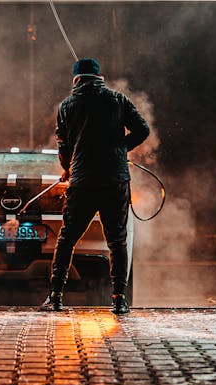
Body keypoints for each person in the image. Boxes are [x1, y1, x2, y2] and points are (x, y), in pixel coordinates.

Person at [40, 57, 150, 315]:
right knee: (117, 240)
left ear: (76, 79)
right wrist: (120, 148)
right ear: (100, 78)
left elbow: (64, 146)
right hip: (115, 180)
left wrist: (68, 168)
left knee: (67, 238)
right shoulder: (118, 99)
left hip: (83, 182)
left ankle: (55, 297)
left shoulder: (67, 106)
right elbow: (142, 130)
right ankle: (119, 299)